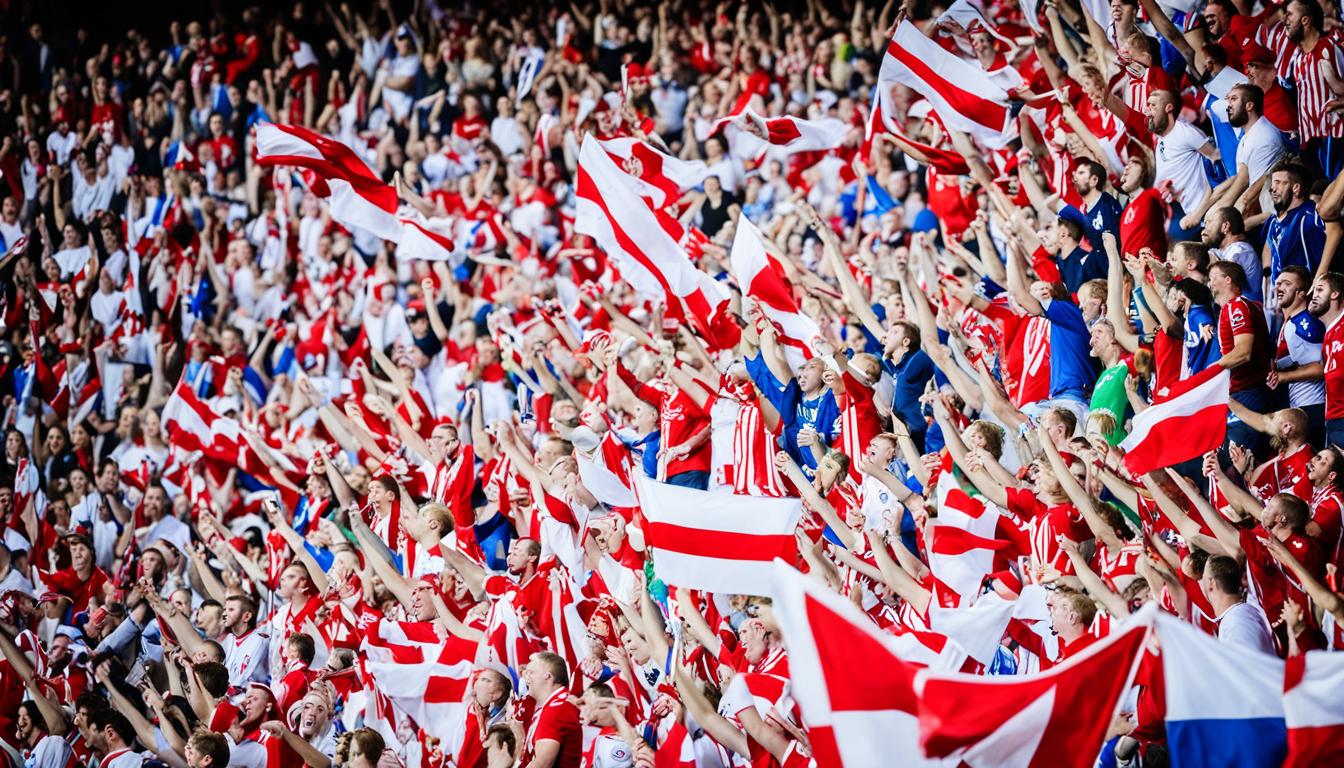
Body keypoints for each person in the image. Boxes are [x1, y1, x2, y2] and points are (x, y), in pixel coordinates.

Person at [520, 652, 581, 768]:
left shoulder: (556, 708)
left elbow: (542, 764)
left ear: (548, 676)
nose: (525, 678)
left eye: (530, 673)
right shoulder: (556, 703)